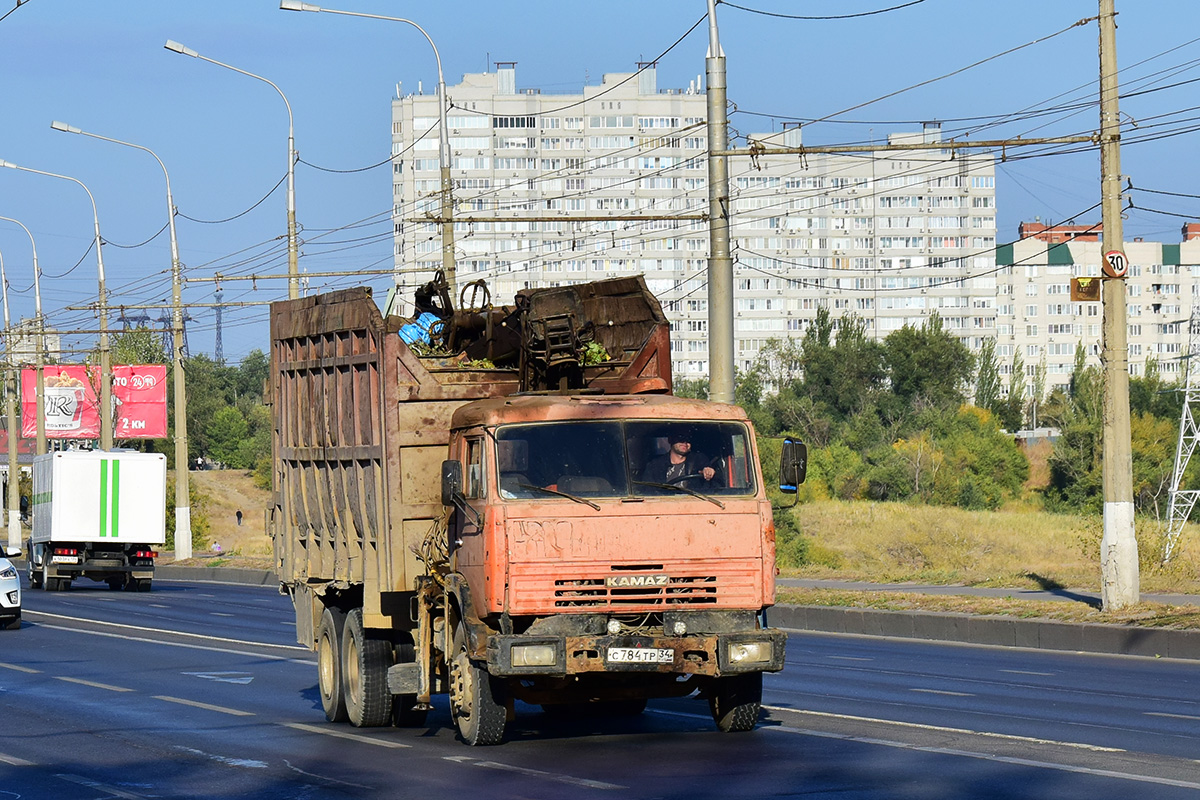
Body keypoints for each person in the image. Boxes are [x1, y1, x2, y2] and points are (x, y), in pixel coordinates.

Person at [639, 429, 716, 490]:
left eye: (688, 438)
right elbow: (647, 491)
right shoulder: (655, 465)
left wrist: (708, 471)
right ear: (670, 439)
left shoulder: (699, 459)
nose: (685, 442)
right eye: (680, 437)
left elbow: (707, 470)